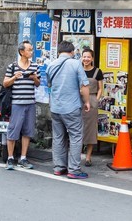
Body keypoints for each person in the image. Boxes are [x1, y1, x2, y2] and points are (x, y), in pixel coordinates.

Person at [46, 40, 90, 179]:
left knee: (58, 137)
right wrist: (87, 102)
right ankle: (73, 170)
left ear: (59, 52)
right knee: (75, 137)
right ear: (71, 52)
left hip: (55, 107)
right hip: (71, 107)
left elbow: (49, 84)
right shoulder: (76, 63)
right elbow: (84, 87)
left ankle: (59, 168)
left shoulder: (51, 65)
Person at [2, 40, 40, 170]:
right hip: (17, 103)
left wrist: (34, 78)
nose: (31, 51)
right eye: (29, 49)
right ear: (22, 52)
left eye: (32, 49)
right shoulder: (12, 66)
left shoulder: (34, 66)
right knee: (13, 130)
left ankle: (23, 158)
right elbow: (5, 83)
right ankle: (10, 158)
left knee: (27, 131)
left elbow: (38, 84)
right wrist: (14, 77)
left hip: (30, 103)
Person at [80, 47, 103, 166]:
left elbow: (100, 89)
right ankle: (76, 154)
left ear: (92, 58)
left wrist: (96, 100)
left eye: (88, 57)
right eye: (84, 56)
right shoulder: (78, 70)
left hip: (92, 100)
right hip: (78, 101)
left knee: (90, 129)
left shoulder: (97, 71)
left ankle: (88, 157)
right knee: (78, 128)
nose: (86, 59)